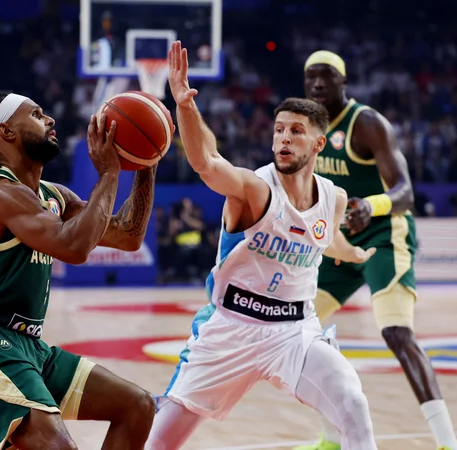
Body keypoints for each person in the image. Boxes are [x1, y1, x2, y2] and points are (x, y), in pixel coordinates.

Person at [145, 41, 377, 450]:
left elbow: (325, 238)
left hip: (294, 331)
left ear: (318, 145)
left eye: (297, 131)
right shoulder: (254, 189)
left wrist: (353, 253)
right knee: (160, 444)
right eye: (279, 129)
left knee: (353, 404)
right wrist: (184, 104)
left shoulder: (333, 198)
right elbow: (207, 162)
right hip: (231, 329)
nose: (284, 138)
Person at [0, 92, 158, 450]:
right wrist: (109, 173)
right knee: (57, 446)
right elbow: (73, 247)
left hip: (28, 346)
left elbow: (129, 236)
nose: (50, 119)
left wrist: (147, 163)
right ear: (6, 132)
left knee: (137, 406)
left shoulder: (54, 195)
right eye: (37, 114)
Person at [296, 50, 457, 450]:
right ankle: (329, 439)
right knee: (297, 330)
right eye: (311, 78)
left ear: (343, 82)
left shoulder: (366, 123)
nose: (317, 84)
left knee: (397, 333)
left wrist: (372, 205)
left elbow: (405, 191)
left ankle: (447, 442)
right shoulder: (305, 129)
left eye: (326, 77)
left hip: (385, 233)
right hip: (339, 239)